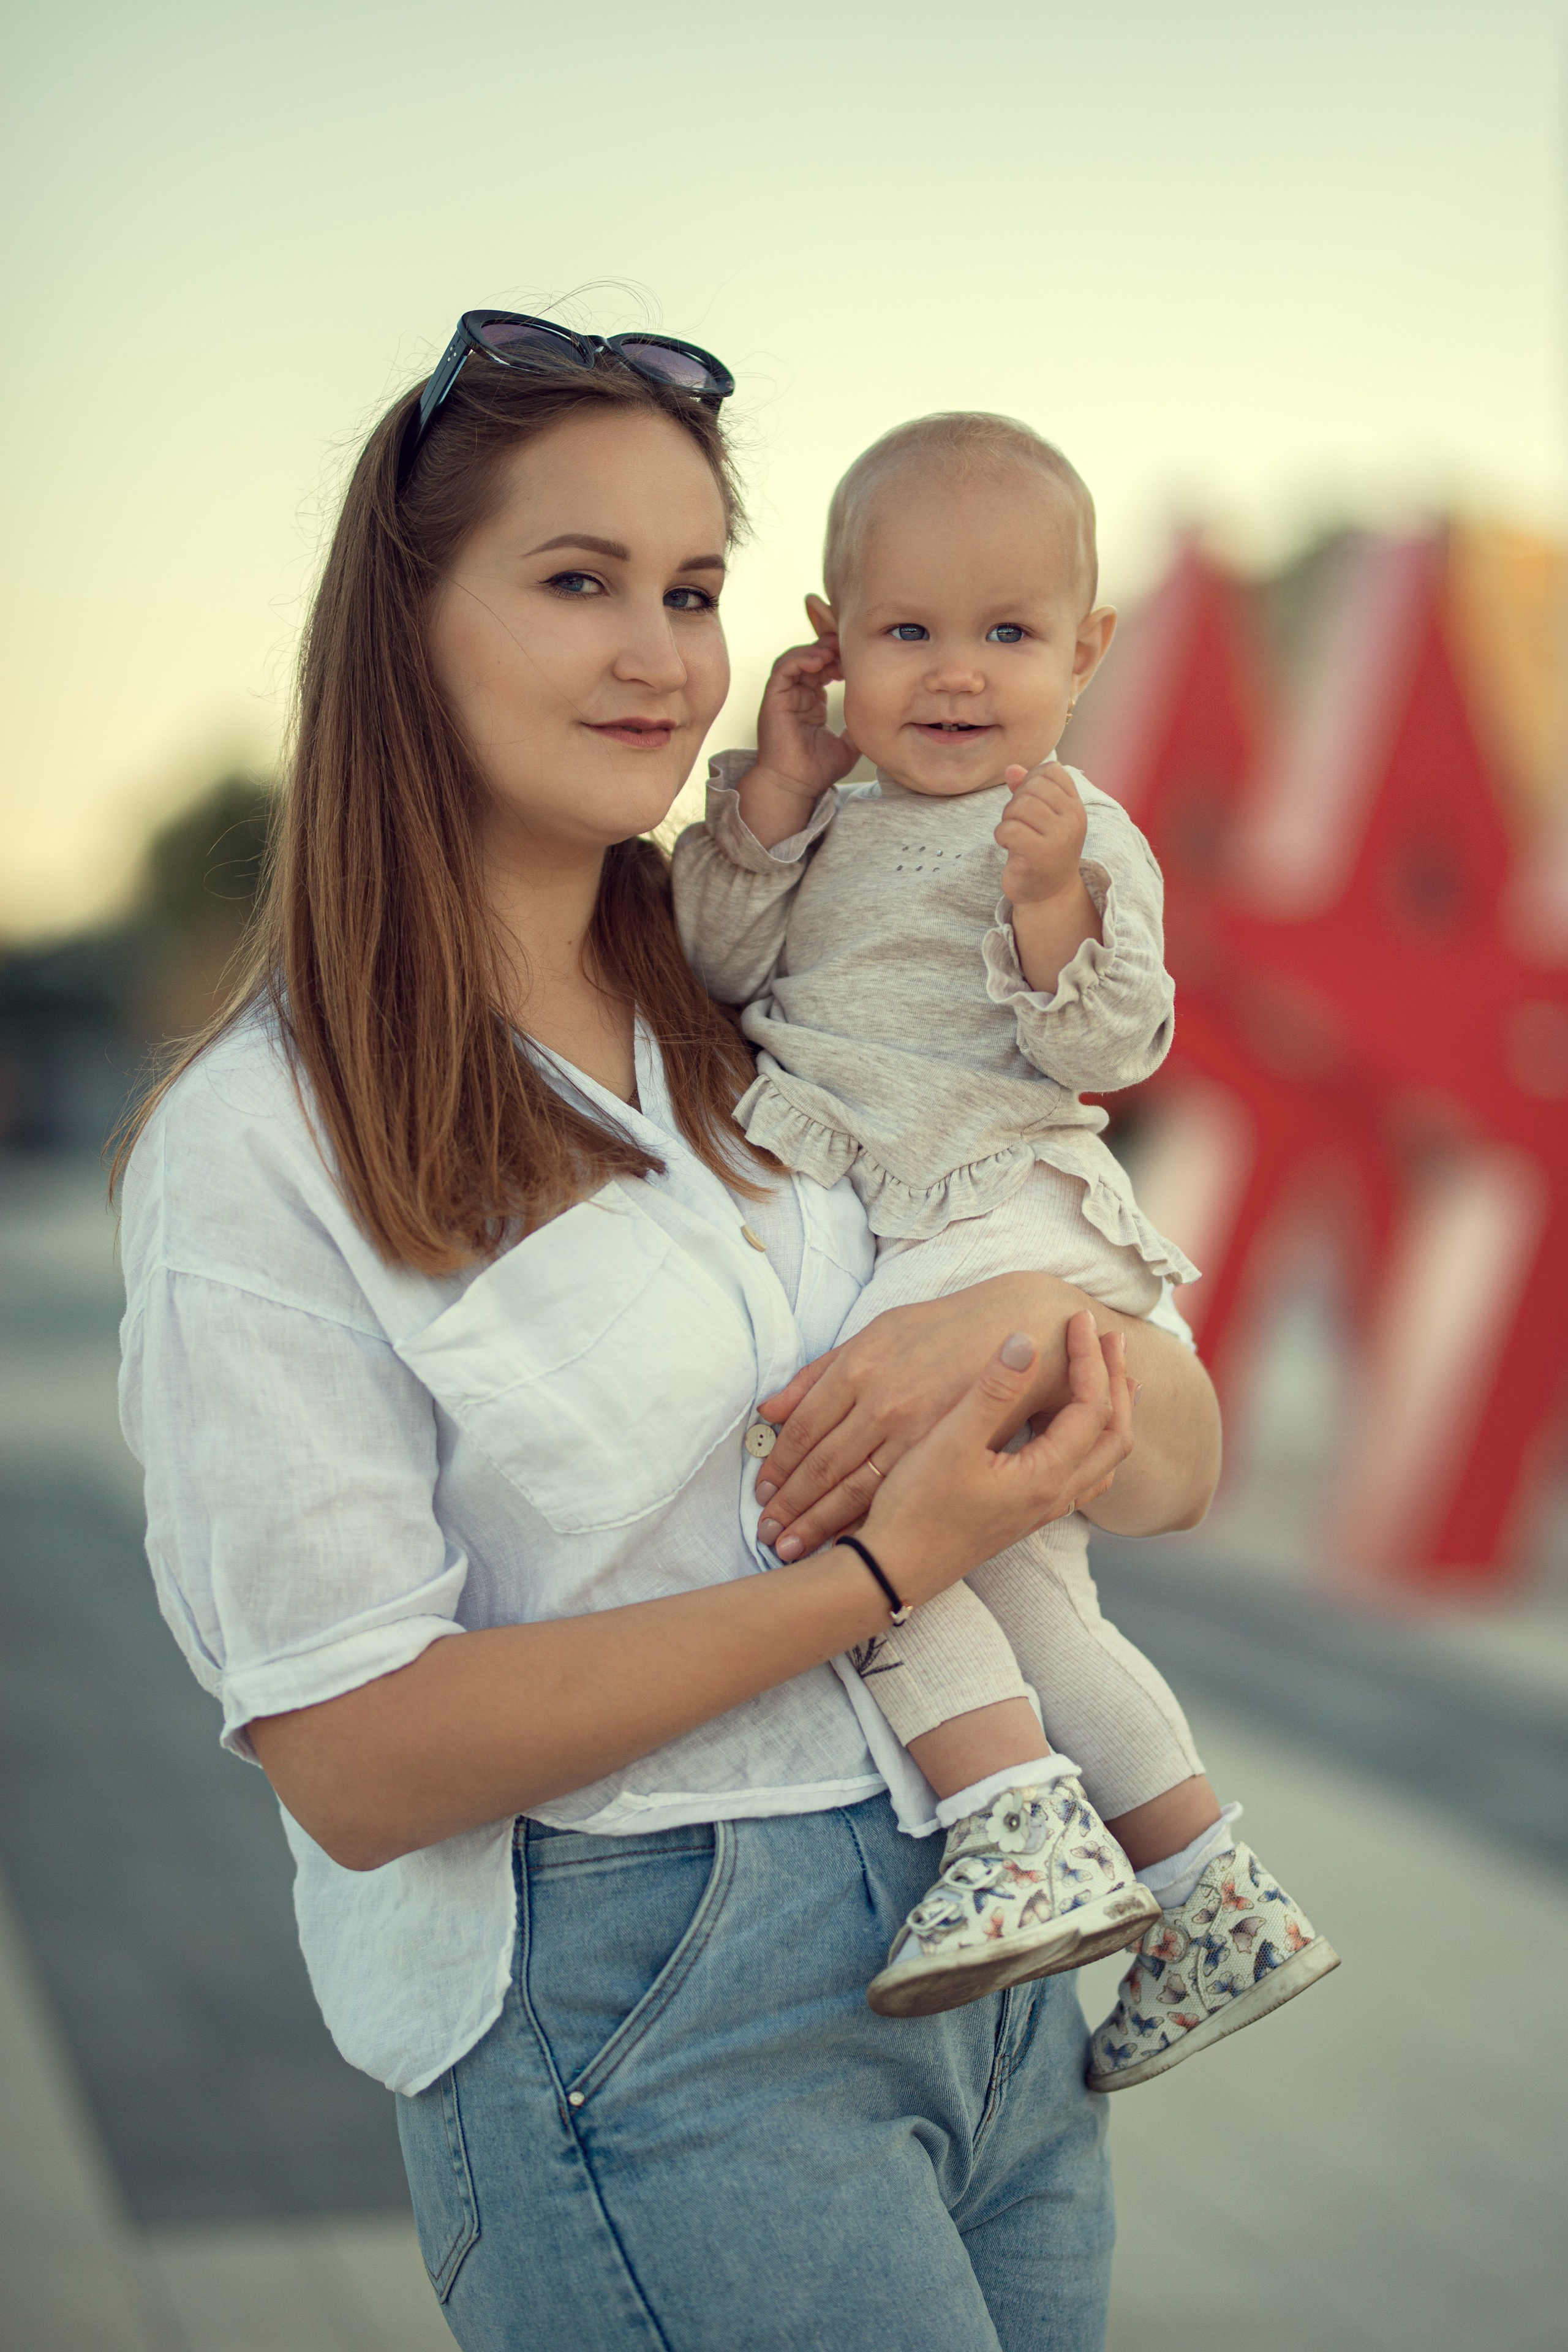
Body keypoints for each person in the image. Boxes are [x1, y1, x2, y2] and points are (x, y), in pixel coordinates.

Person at [115, 312, 1221, 2351]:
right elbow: (356, 1759)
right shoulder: (263, 1144)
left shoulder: (794, 1000)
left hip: (1003, 1988)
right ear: (403, 625)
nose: (659, 654)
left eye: (694, 590)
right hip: (655, 2016)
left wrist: (1003, 1323)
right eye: (576, 584)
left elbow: (1176, 1461)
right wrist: (886, 1568)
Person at [673, 412, 1338, 2084]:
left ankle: (1009, 1826)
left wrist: (1052, 909)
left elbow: (1111, 1044)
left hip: (997, 1213)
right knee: (1030, 1591)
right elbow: (712, 958)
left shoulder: (1067, 826)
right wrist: (769, 798)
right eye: (908, 632)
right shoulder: (820, 809)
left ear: (1086, 650)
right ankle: (1208, 1889)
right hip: (929, 1224)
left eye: (1009, 634)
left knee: (830, 1495)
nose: (957, 675)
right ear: (831, 646)